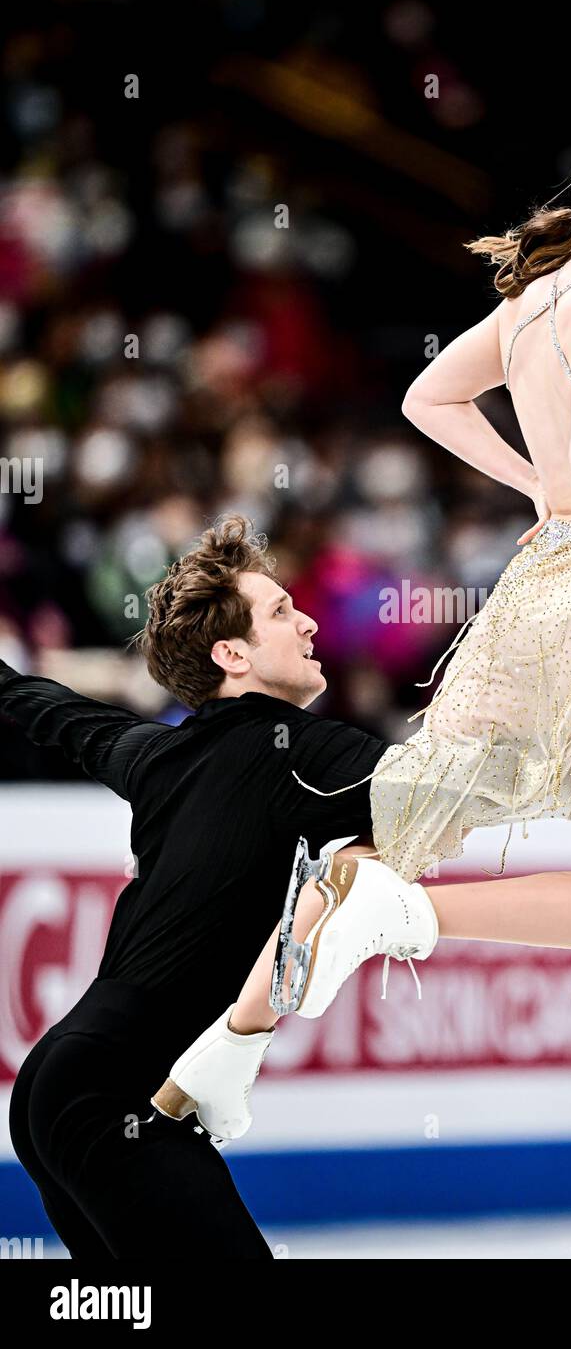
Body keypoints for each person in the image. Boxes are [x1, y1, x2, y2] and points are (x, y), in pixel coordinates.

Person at [153, 137, 571, 1136]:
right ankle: (406, 919)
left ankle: (225, 1050)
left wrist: (538, 489)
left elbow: (426, 399)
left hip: (531, 601)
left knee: (391, 835)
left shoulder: (528, 308)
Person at [2, 514, 404, 1258]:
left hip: (53, 1091)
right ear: (232, 654)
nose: (310, 621)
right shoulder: (303, 754)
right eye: (282, 612)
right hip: (112, 1098)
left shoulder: (156, 754)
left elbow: (47, 709)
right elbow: (450, 787)